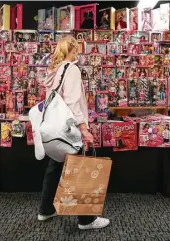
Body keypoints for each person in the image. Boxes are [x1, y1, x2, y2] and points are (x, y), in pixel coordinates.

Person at [39, 36, 110, 230]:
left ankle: (45, 210)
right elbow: (71, 101)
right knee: (80, 169)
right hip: (70, 128)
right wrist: (83, 128)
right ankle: (86, 220)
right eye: (76, 49)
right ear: (73, 49)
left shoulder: (53, 70)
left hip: (55, 129)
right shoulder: (71, 69)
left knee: (55, 166)